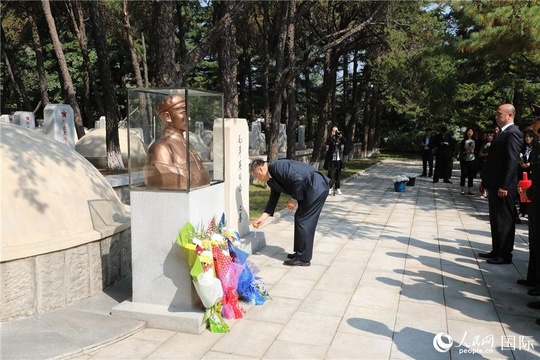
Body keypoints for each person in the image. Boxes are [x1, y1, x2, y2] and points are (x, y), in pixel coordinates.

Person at [250, 159, 331, 266]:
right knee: (299, 218)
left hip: (316, 188)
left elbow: (298, 179)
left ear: (260, 169)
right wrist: (263, 217)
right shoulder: (271, 177)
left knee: (304, 221)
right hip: (309, 190)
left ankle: (303, 259)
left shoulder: (278, 167)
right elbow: (274, 197)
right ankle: (299, 253)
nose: (258, 179)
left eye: (256, 176)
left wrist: (293, 199)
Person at [478, 104, 523, 265]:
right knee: (496, 219)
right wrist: (485, 182)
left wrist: (505, 185)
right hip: (494, 184)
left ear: (510, 115)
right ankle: (496, 250)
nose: (496, 116)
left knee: (504, 220)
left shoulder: (513, 134)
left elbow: (512, 162)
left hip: (504, 186)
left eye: (499, 114)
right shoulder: (502, 133)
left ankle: (504, 254)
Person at [144, 94, 210, 190]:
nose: (189, 118)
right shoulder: (161, 148)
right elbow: (172, 178)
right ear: (168, 117)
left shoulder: (188, 145)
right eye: (183, 113)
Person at [518, 105, 540, 319]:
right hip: (536, 197)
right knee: (534, 241)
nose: (532, 124)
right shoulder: (538, 144)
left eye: (536, 120)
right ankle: (534, 280)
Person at [518, 129, 538, 217]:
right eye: (526, 137)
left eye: (530, 137)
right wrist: (521, 163)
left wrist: (530, 163)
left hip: (531, 171)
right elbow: (519, 157)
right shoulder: (523, 148)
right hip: (523, 171)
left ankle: (528, 210)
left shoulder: (536, 148)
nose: (528, 139)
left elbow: (535, 159)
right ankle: (522, 209)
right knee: (521, 189)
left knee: (529, 189)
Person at [325, 126, 344, 195]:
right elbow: (327, 143)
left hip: (338, 159)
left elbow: (345, 141)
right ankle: (329, 188)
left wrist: (341, 136)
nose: (335, 132)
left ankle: (337, 188)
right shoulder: (330, 138)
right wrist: (332, 136)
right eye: (334, 131)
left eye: (336, 131)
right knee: (330, 173)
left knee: (338, 174)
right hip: (332, 159)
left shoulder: (339, 138)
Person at [458, 128, 476, 195]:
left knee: (471, 174)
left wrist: (473, 151)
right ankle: (462, 189)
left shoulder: (474, 141)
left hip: (472, 159)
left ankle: (470, 190)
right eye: (468, 131)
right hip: (464, 159)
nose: (470, 132)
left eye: (471, 131)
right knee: (463, 174)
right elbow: (461, 149)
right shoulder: (464, 141)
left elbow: (477, 150)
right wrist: (466, 151)